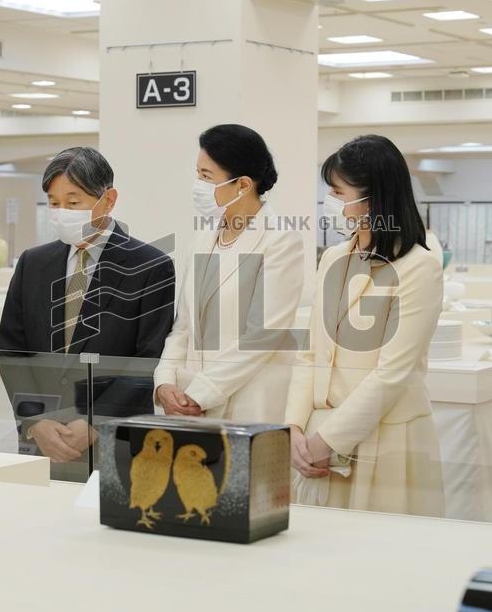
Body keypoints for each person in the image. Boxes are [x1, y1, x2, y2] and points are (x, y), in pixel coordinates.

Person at [285, 134, 445, 516]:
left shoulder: (418, 267)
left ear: (372, 197)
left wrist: (328, 441)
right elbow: (310, 353)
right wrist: (291, 428)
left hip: (383, 439)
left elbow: (393, 374)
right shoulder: (333, 258)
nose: (330, 202)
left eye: (338, 192)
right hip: (316, 437)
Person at [0, 147, 175, 470]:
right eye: (54, 202)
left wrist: (94, 421)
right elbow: (13, 348)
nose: (62, 211)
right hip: (43, 440)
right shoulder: (33, 263)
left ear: (108, 200)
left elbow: (148, 357)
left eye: (74, 202)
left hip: (115, 443)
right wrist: (35, 420)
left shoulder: (151, 266)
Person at [154, 124, 303, 423]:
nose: (198, 184)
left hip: (247, 402)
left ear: (243, 185)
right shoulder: (203, 238)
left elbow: (263, 336)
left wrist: (201, 392)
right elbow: (183, 326)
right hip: (189, 402)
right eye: (198, 173)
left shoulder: (280, 240)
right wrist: (165, 381)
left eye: (206, 176)